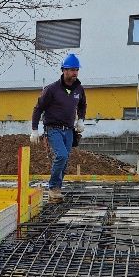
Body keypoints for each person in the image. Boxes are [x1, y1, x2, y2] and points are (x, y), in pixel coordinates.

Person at [30, 53, 87, 201]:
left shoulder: (79, 89)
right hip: (53, 128)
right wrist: (35, 130)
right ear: (64, 70)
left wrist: (81, 119)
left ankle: (57, 190)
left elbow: (82, 105)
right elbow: (38, 108)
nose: (75, 73)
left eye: (76, 70)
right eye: (72, 70)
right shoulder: (52, 89)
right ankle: (53, 188)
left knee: (65, 159)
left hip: (69, 130)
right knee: (61, 155)